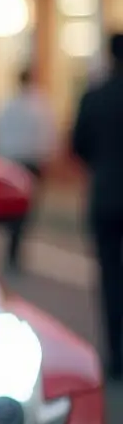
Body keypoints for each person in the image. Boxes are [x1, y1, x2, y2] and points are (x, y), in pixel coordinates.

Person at [71, 32, 123, 383]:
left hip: (106, 196)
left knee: (110, 278)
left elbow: (77, 145)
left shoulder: (96, 96)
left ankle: (117, 356)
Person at [0, 67, 57, 272]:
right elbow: (48, 137)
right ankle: (15, 249)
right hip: (30, 163)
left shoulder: (7, 105)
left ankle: (12, 247)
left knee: (12, 208)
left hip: (11, 161)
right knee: (24, 210)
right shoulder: (41, 105)